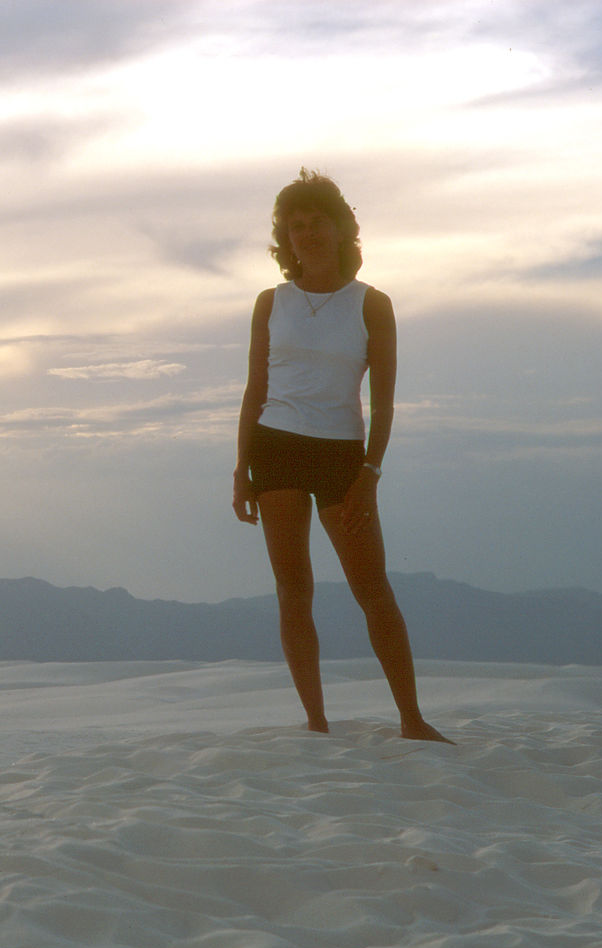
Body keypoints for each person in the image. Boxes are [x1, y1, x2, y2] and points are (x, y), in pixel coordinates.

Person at [232, 169, 452, 743]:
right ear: (285, 238)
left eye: (316, 223)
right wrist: (240, 468)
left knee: (372, 589)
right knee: (293, 589)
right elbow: (255, 389)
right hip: (274, 449)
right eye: (295, 226)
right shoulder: (270, 302)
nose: (307, 234)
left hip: (341, 457)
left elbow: (384, 404)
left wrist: (370, 475)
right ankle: (316, 722)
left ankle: (412, 719)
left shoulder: (371, 304)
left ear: (341, 229)